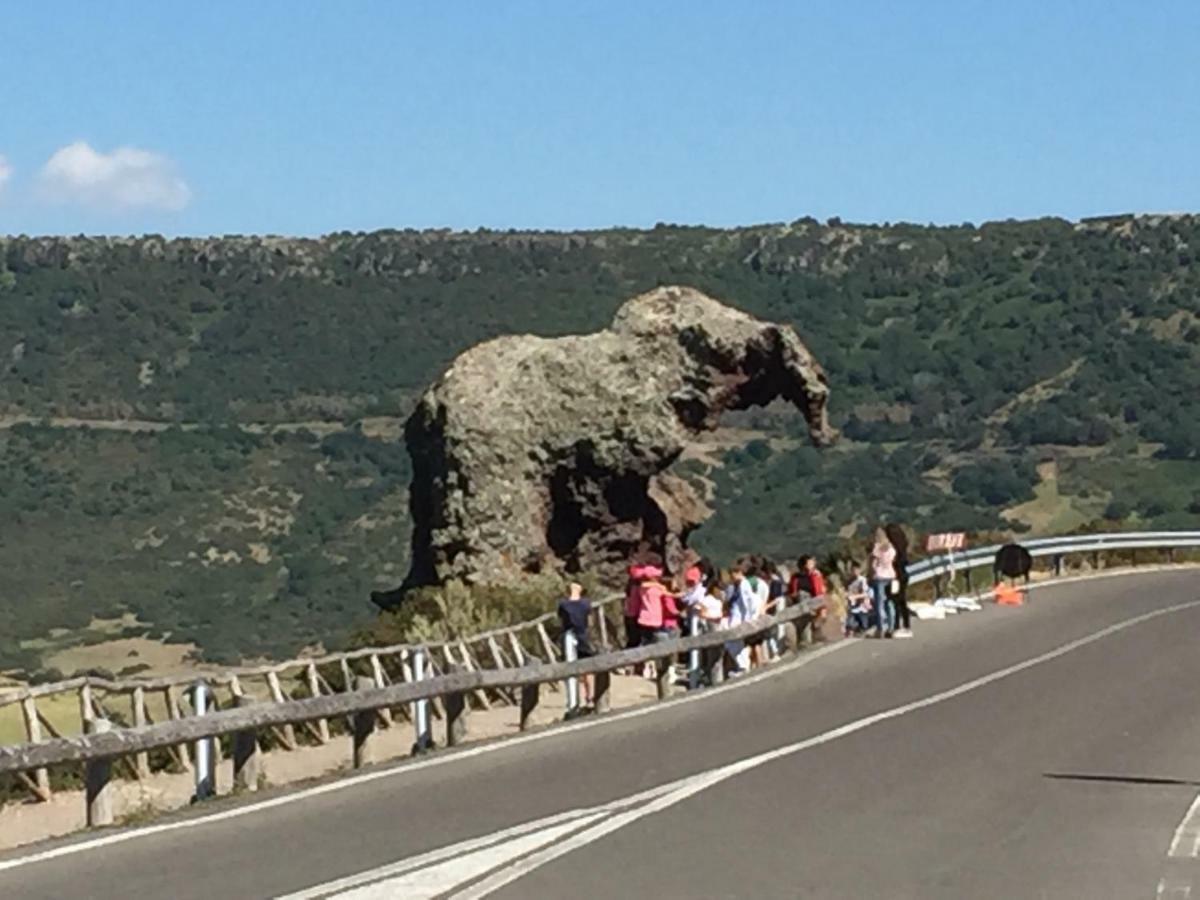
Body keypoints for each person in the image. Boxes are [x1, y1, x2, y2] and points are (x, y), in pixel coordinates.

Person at [557, 581, 595, 703]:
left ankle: (589, 696)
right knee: (580, 667)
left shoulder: (565, 604)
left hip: (576, 636)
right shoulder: (584, 604)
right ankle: (581, 698)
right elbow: (590, 622)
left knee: (584, 667)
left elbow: (561, 619)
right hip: (579, 635)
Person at [885, 523, 913, 638]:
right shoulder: (903, 546)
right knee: (901, 601)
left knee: (895, 601)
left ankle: (896, 625)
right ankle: (906, 625)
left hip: (895, 577)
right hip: (903, 575)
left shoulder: (892, 549)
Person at [869, 528, 897, 638]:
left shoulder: (877, 547)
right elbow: (893, 559)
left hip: (879, 576)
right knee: (889, 603)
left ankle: (881, 628)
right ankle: (891, 628)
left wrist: (871, 573)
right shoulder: (890, 547)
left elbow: (873, 563)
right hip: (890, 575)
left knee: (879, 604)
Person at [844, 563, 871, 636]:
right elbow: (847, 592)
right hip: (852, 604)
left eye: (856, 570)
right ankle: (851, 629)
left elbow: (865, 594)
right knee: (850, 618)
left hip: (861, 603)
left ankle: (863, 628)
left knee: (862, 617)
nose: (855, 572)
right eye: (853, 570)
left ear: (859, 571)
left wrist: (855, 597)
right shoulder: (849, 581)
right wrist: (847, 596)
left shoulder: (862, 580)